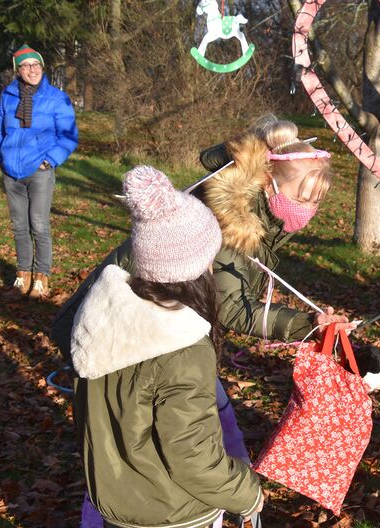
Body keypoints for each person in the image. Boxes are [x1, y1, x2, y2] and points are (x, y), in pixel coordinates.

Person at [52, 116, 347, 527]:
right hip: (170, 502)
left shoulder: (228, 223)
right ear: (270, 182)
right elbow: (191, 451)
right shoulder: (214, 232)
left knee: (125, 434)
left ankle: (113, 503)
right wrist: (245, 495)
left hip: (112, 332)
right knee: (145, 430)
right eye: (305, 197)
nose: (309, 209)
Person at [70, 165, 264, 528]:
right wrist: (247, 493)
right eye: (210, 257)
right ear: (194, 267)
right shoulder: (183, 348)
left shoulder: (102, 318)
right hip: (174, 513)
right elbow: (192, 457)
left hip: (117, 508)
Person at [0, 45, 78, 298]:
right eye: (26, 66)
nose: (32, 70)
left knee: (39, 225)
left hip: (39, 171)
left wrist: (49, 160)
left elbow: (68, 136)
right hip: (11, 172)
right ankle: (22, 275)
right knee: (19, 226)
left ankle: (41, 277)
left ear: (42, 67)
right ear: (18, 70)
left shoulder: (56, 98)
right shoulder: (8, 96)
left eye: (36, 65)